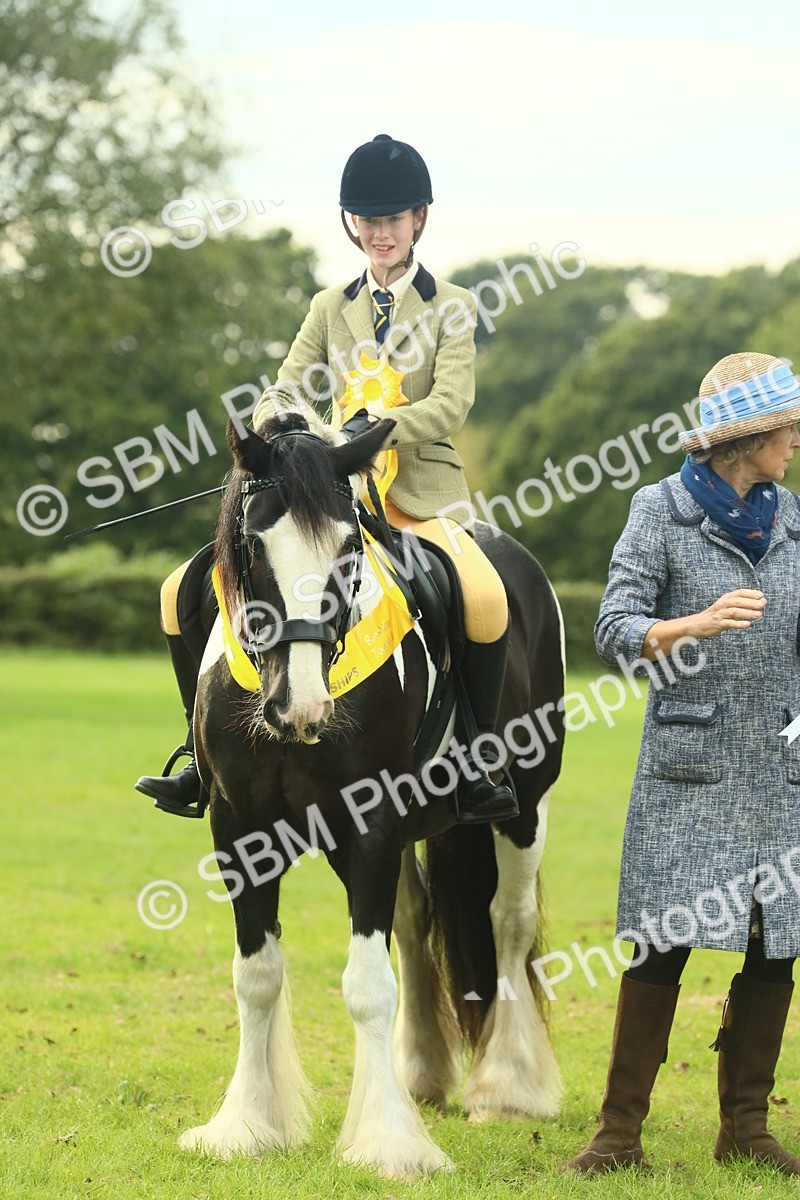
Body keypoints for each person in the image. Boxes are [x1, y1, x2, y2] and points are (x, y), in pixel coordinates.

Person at [136, 134, 516, 823]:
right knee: (177, 593)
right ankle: (198, 757)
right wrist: (287, 433)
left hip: (416, 497)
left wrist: (368, 428)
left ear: (419, 220)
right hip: (327, 499)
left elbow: (451, 404)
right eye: (368, 222)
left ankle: (478, 762)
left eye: (392, 220)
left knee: (484, 598)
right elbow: (281, 389)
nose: (379, 234)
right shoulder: (327, 305)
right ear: (353, 225)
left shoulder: (452, 304)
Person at [562, 351, 800, 1176]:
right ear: (751, 435)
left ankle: (746, 1129)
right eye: (788, 427)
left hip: (780, 768)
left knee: (776, 947)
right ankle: (619, 1134)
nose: (797, 440)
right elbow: (614, 626)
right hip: (688, 766)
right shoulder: (657, 510)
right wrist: (690, 625)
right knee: (662, 946)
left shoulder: (795, 520)